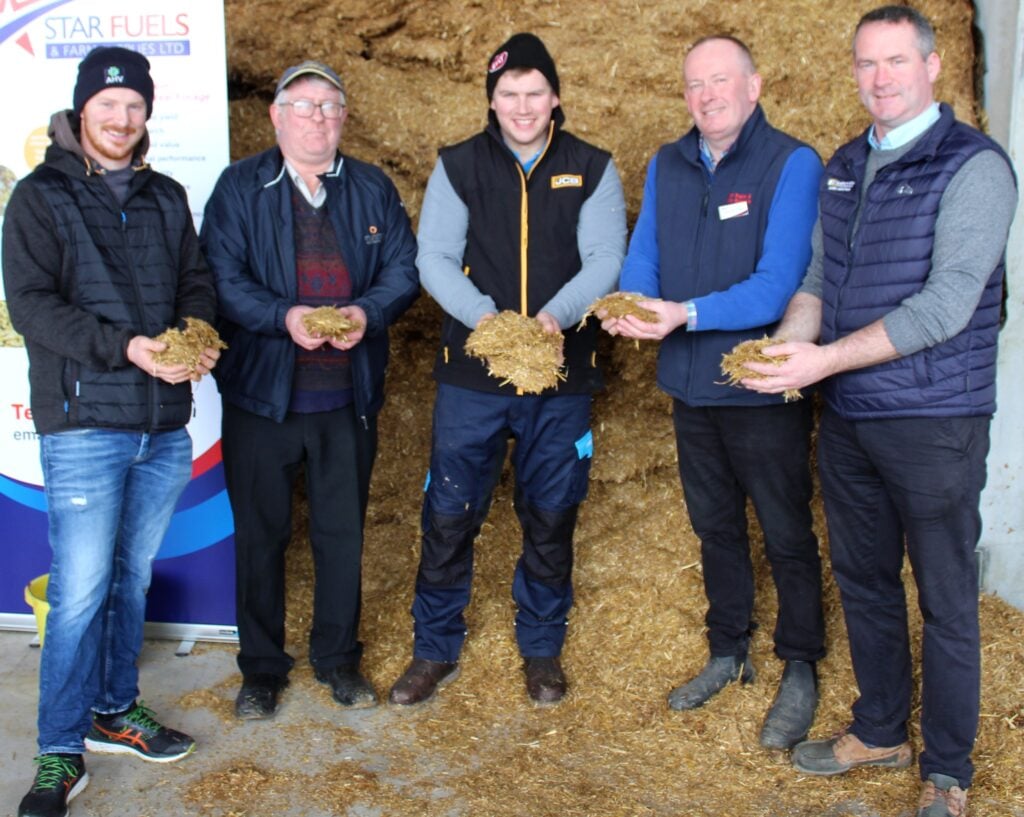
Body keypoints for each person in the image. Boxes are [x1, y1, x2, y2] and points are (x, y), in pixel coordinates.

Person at [741, 7, 1017, 815]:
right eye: (867, 62)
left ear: (934, 67)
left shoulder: (975, 166)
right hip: (850, 416)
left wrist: (824, 360)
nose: (881, 77)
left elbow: (948, 305)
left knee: (945, 597)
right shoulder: (846, 162)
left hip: (935, 420)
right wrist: (787, 348)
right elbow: (818, 280)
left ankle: (948, 769)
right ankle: (881, 729)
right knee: (863, 578)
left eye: (897, 60)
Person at [2, 47, 219, 817]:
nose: (122, 119)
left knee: (130, 579)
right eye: (108, 105)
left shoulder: (166, 195)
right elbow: (31, 305)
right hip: (86, 424)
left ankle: (113, 709)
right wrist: (127, 347)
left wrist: (197, 335)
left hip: (162, 426)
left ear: (146, 113)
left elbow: (195, 280)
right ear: (82, 108)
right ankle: (59, 751)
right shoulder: (40, 196)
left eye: (134, 106)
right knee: (81, 592)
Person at [387, 33, 626, 707]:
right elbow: (434, 257)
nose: (522, 107)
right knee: (449, 512)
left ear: (555, 97)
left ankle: (542, 648)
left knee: (551, 511)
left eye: (534, 93)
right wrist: (486, 323)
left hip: (560, 374)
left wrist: (554, 318)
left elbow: (605, 259)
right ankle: (434, 647)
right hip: (473, 378)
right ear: (492, 101)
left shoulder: (592, 166)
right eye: (509, 94)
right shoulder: (459, 164)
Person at [600, 35, 825, 749]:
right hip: (690, 386)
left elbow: (778, 284)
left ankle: (800, 662)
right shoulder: (667, 162)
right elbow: (645, 252)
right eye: (695, 84)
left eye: (721, 80)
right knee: (715, 525)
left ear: (753, 87)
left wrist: (684, 314)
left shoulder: (792, 162)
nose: (707, 95)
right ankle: (728, 648)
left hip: (759, 385)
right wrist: (635, 302)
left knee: (785, 529)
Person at [201, 61, 419, 719]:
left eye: (328, 105)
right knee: (260, 537)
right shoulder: (240, 186)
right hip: (261, 397)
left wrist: (365, 313)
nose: (316, 117)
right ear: (276, 116)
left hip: (345, 398)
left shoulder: (372, 187)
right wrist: (284, 317)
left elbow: (403, 269)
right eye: (303, 105)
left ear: (343, 117)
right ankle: (262, 669)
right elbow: (222, 276)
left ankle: (338, 659)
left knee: (340, 534)